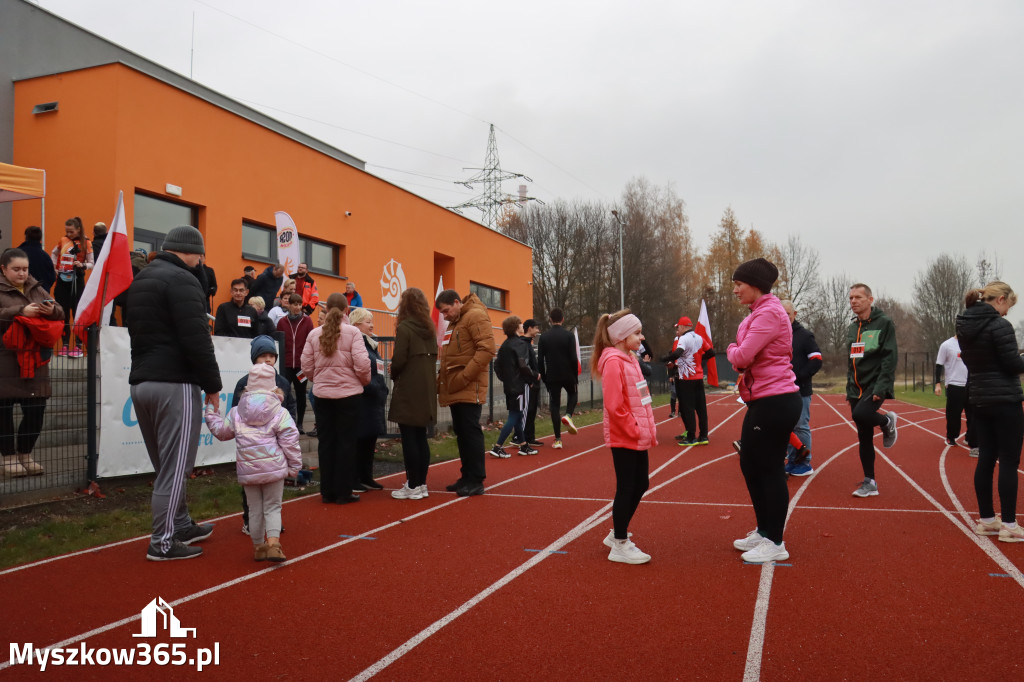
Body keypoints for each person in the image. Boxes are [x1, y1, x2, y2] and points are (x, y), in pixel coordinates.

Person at [126, 225, 222, 561]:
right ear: (191, 251)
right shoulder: (184, 280)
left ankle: (179, 523)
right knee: (174, 468)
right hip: (174, 384)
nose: (201, 261)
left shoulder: (142, 279)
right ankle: (163, 542)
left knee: (167, 465)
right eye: (200, 254)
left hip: (141, 382)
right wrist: (213, 386)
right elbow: (197, 338)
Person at [727, 258, 803, 564]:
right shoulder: (757, 313)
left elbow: (742, 355)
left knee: (770, 467)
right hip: (762, 399)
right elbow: (744, 351)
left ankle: (775, 541)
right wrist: (739, 350)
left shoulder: (769, 313)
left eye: (738, 284)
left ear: (755, 285)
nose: (735, 290)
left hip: (777, 399)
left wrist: (733, 351)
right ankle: (763, 529)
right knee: (749, 464)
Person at [206, 362, 301, 562]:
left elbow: (222, 432)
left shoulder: (237, 412)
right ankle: (274, 544)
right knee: (273, 506)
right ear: (274, 387)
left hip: (248, 470)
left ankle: (258, 547)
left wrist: (210, 411)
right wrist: (294, 465)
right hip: (273, 468)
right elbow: (290, 440)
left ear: (247, 386)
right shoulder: (280, 411)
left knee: (254, 509)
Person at [956, 281, 1024, 542]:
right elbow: (1011, 364)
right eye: (1008, 306)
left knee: (986, 458)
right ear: (1001, 299)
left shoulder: (964, 326)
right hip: (1005, 400)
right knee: (1009, 460)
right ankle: (1008, 525)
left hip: (979, 399)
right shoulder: (1000, 325)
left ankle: (986, 521)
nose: (1007, 312)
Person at [592, 309, 657, 564]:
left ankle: (616, 533)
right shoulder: (613, 362)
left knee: (641, 484)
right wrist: (634, 428)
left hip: (636, 433)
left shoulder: (629, 358)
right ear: (621, 336)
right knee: (627, 486)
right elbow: (614, 405)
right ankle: (619, 543)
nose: (642, 338)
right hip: (626, 435)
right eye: (637, 333)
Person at [0, 248, 64, 477]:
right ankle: (7, 459)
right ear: (4, 269)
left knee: (36, 411)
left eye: (25, 269)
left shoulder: (37, 287)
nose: (22, 274)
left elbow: (60, 311)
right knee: (3, 413)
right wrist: (20, 311)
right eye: (16, 269)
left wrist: (51, 310)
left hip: (35, 361)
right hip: (5, 360)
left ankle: (25, 455)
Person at [301, 293, 369, 504]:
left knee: (326, 442)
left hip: (322, 395)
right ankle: (343, 491)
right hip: (348, 396)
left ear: (326, 309)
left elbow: (306, 366)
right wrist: (362, 382)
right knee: (346, 443)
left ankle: (327, 491)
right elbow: (363, 364)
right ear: (346, 310)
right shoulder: (353, 332)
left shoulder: (314, 334)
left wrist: (318, 379)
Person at [231, 335, 298, 535]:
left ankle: (272, 524)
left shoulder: (282, 382)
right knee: (251, 485)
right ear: (254, 360)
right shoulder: (244, 383)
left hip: (274, 442)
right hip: (252, 444)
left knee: (273, 486)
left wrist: (290, 424)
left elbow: (290, 404)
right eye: (263, 356)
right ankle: (249, 521)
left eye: (271, 355)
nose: (268, 359)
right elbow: (236, 410)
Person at [436, 288, 496, 496]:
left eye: (446, 311)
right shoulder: (456, 322)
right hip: (456, 388)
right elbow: (449, 358)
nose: (444, 316)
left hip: (468, 387)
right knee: (462, 433)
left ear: (456, 302)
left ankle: (476, 479)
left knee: (470, 432)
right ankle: (466, 476)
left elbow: (487, 349)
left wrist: (465, 377)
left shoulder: (475, 316)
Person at [846, 283, 899, 498]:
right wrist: (849, 386)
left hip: (874, 384)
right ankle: (870, 482)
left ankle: (887, 422)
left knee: (862, 414)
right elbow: (852, 360)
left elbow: (890, 357)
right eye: (851, 298)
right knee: (863, 435)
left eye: (858, 297)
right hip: (855, 388)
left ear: (870, 299)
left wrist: (882, 386)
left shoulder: (884, 323)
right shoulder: (852, 327)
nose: (854, 301)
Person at [389, 288, 438, 500]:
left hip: (409, 388)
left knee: (409, 438)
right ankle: (421, 484)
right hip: (426, 389)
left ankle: (413, 484)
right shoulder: (430, 329)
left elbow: (398, 359)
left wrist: (394, 373)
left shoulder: (405, 327)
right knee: (420, 438)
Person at [349, 308, 388, 492]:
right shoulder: (356, 344)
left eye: (372, 321)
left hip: (375, 400)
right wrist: (373, 387)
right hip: (363, 399)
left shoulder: (372, 344)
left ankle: (367, 476)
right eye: (367, 321)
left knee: (370, 440)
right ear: (356, 325)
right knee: (359, 439)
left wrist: (383, 389)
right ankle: (354, 478)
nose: (372, 325)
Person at [782, 300, 822, 476]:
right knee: (786, 427)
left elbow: (816, 360)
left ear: (794, 314)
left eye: (787, 314)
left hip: (800, 390)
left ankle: (804, 463)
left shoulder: (805, 335)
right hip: (781, 390)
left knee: (800, 425)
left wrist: (797, 378)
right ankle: (792, 460)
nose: (784, 317)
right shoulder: (776, 334)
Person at [490, 315, 539, 458]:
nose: (522, 325)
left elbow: (497, 366)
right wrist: (534, 376)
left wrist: (506, 378)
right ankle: (498, 446)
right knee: (515, 415)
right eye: (520, 323)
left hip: (510, 385)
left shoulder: (505, 345)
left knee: (517, 415)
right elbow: (523, 366)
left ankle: (523, 445)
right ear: (516, 327)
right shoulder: (521, 344)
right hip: (519, 386)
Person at [661, 316, 711, 446]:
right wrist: (699, 358)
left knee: (687, 408)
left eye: (678, 327)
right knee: (701, 408)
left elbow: (678, 352)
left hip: (686, 378)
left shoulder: (683, 338)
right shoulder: (699, 337)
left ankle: (691, 437)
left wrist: (665, 358)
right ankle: (704, 436)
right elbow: (711, 352)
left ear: (683, 327)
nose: (678, 329)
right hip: (698, 377)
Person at [50, 216, 93, 357]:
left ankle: (79, 346)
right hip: (62, 281)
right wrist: (55, 268)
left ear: (78, 230)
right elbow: (54, 254)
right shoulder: (63, 240)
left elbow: (92, 263)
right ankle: (65, 346)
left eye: (71, 232)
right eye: (67, 231)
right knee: (63, 314)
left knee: (77, 313)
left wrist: (82, 265)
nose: (68, 234)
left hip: (77, 281)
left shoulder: (86, 242)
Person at [537, 308, 579, 449]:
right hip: (568, 374)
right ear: (563, 319)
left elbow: (540, 360)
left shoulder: (543, 337)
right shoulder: (569, 336)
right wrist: (574, 374)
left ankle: (558, 439)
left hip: (552, 376)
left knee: (554, 405)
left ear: (550, 319)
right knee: (573, 394)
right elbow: (574, 357)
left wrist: (544, 376)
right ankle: (568, 415)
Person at [277, 293, 313, 434]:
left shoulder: (307, 321)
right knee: (283, 393)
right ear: (289, 305)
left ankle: (300, 423)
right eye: (295, 304)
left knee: (300, 393)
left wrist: (308, 361)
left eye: (300, 304)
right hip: (286, 364)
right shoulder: (282, 322)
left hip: (300, 366)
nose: (297, 307)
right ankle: (285, 422)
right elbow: (279, 341)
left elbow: (311, 342)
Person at [934, 335, 977, 455]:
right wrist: (937, 384)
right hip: (954, 384)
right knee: (954, 414)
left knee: (973, 414)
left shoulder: (971, 343)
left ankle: (970, 437)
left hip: (970, 384)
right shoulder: (946, 345)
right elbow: (939, 365)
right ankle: (951, 436)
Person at [519, 319, 543, 449]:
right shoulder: (523, 344)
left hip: (534, 382)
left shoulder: (529, 344)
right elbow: (524, 365)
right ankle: (520, 437)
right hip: (529, 383)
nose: (538, 331)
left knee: (532, 410)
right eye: (536, 328)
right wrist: (531, 379)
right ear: (529, 328)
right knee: (527, 411)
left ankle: (530, 437)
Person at [19, 226, 55, 295]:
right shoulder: (45, 257)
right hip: (41, 295)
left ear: (26, 237)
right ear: (40, 238)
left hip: (21, 293)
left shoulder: (16, 254)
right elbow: (52, 277)